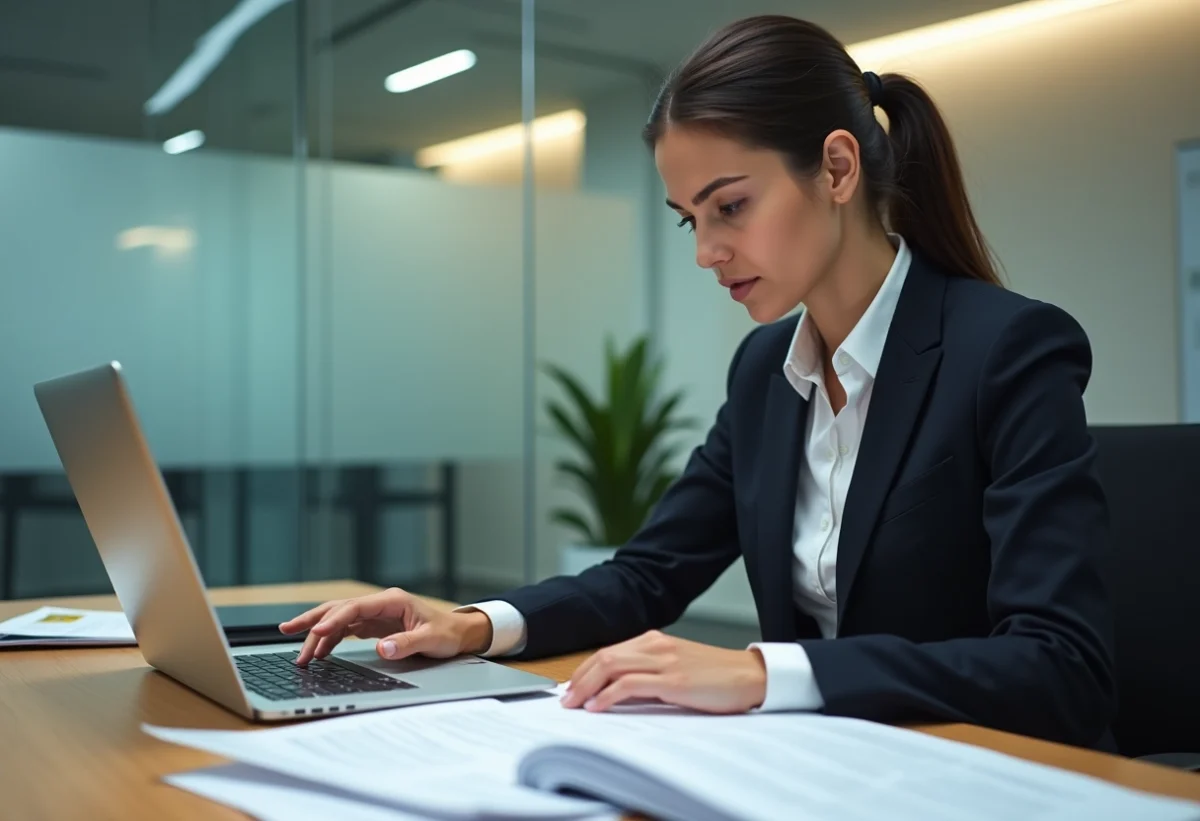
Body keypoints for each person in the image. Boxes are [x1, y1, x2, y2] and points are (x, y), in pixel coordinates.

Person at [280, 14, 1116, 750]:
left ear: (835, 168)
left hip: (976, 775)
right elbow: (649, 574)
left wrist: (761, 672)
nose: (704, 251)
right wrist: (472, 624)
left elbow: (1059, 667)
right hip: (820, 768)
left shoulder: (1007, 349)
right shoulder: (765, 373)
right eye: (690, 218)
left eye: (731, 207)